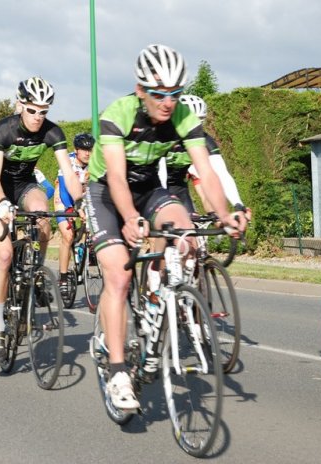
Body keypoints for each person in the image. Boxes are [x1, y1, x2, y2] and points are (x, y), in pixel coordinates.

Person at [85, 44, 242, 409]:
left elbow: (207, 171)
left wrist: (225, 214)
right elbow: (117, 178)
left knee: (186, 236)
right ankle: (118, 373)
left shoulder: (183, 115)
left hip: (147, 188)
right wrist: (129, 218)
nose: (168, 102)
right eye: (159, 94)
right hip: (105, 191)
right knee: (119, 275)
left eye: (175, 93)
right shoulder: (119, 114)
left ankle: (158, 302)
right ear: (141, 90)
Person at [0, 76, 84, 362]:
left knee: (42, 217)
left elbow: (69, 173)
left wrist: (80, 201)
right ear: (20, 105)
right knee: (4, 254)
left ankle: (35, 272)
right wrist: (2, 202)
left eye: (44, 111)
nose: (38, 117)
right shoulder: (3, 129)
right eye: (32, 110)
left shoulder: (52, 132)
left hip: (26, 185)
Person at [158, 94, 251, 223]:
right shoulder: (162, 136)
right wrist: (163, 203)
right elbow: (160, 173)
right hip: (154, 185)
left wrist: (238, 205)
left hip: (178, 186)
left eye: (199, 121)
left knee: (190, 229)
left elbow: (222, 173)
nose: (193, 126)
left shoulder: (204, 140)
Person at [54, 133, 94, 298]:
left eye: (90, 150)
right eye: (84, 149)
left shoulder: (96, 162)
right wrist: (71, 209)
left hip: (84, 197)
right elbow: (64, 189)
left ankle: (85, 252)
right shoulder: (68, 162)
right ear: (76, 150)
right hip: (64, 199)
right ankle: (63, 278)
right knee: (68, 236)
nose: (87, 153)